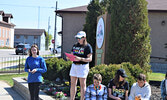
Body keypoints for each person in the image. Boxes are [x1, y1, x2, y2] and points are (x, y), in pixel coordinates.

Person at [68, 31, 93, 100]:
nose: (78, 39)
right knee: (73, 83)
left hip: (83, 66)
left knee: (82, 84)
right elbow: (72, 54)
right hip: (74, 65)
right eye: (77, 38)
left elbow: (90, 59)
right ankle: (72, 99)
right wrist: (70, 57)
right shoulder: (75, 45)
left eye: (79, 38)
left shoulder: (88, 46)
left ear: (84, 38)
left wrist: (80, 59)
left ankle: (82, 98)